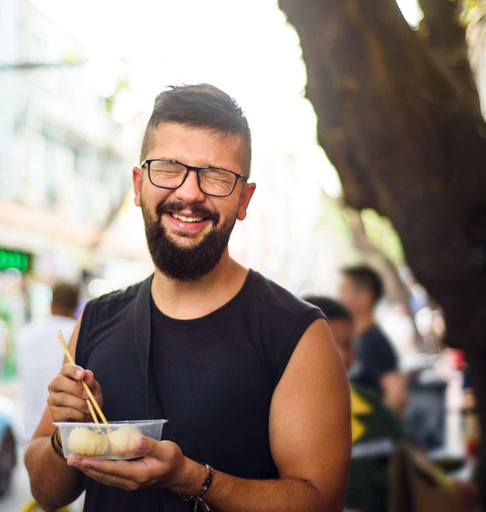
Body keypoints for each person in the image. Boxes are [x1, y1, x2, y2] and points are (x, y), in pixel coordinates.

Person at [25, 84, 351, 512]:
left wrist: (189, 478)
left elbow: (319, 503)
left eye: (216, 176)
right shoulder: (98, 318)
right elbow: (47, 493)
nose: (189, 193)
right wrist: (64, 433)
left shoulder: (296, 334)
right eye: (168, 168)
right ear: (139, 184)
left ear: (243, 200)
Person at [304, 296, 405, 512]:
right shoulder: (272, 421)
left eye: (348, 344)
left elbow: (413, 465)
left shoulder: (371, 407)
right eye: (331, 343)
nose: (342, 355)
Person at [339, 265, 408, 415]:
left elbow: (397, 394)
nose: (339, 297)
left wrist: (372, 430)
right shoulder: (359, 340)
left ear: (365, 297)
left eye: (344, 291)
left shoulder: (374, 342)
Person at [18, 282, 80, 440]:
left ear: (51, 304)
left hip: (30, 423)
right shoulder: (80, 333)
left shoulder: (26, 333)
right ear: (75, 306)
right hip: (67, 427)